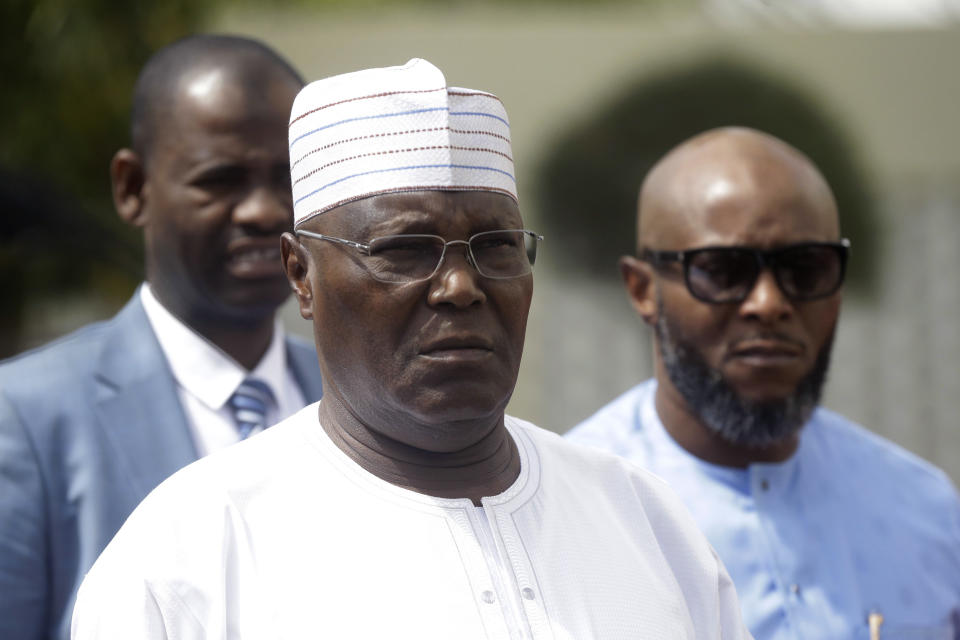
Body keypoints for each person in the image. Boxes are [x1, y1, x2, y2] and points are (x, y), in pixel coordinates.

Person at [70, 58, 750, 640]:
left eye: (496, 247)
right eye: (403, 250)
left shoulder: (641, 521)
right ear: (300, 275)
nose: (460, 286)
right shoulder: (190, 554)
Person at [568, 127, 960, 639]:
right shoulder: (572, 516)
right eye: (723, 270)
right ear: (642, 290)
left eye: (806, 268)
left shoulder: (924, 511)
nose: (769, 303)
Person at [0, 35, 324, 640]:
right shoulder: (25, 420)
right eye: (221, 179)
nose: (263, 210)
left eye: (289, 177)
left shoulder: (355, 401)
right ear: (133, 188)